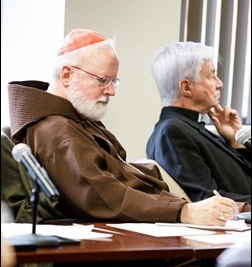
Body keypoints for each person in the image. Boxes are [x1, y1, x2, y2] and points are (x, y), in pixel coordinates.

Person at [7, 29, 245, 226]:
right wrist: (183, 212)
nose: (111, 91)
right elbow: (99, 194)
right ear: (67, 74)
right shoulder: (58, 130)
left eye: (114, 81)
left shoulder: (75, 119)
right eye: (102, 80)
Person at [146, 41, 251, 204]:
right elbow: (208, 199)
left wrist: (235, 142)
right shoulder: (172, 132)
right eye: (211, 76)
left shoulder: (190, 127)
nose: (220, 83)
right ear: (186, 87)